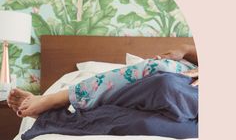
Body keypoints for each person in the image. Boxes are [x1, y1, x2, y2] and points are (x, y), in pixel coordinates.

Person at [7, 44, 198, 119]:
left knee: (161, 92)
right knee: (160, 72)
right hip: (190, 73)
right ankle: (56, 100)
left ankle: (51, 113)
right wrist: (185, 49)